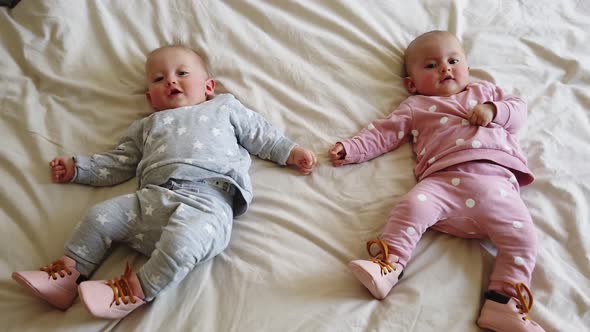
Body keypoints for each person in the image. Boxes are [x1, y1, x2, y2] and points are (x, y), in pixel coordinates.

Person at [12, 45, 317, 319]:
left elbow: (260, 134)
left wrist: (290, 152)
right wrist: (79, 168)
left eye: (182, 73)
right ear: (150, 99)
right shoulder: (147, 125)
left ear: (209, 86)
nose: (170, 81)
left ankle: (135, 289)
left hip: (208, 202)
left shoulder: (223, 107)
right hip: (151, 200)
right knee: (99, 217)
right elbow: (119, 162)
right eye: (158, 79)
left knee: (183, 244)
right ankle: (66, 274)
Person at [328, 31, 545, 332]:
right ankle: (388, 266)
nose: (445, 68)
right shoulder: (415, 106)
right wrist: (350, 149)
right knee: (411, 207)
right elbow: (383, 133)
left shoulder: (485, 92)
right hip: (443, 183)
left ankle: (503, 302)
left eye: (453, 61)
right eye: (431, 66)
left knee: (524, 239)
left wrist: (494, 110)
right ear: (411, 84)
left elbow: (518, 112)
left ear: (467, 67)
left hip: (495, 184)